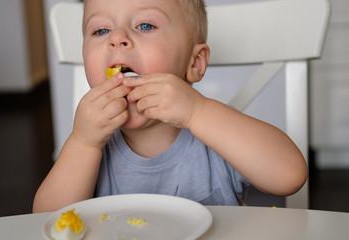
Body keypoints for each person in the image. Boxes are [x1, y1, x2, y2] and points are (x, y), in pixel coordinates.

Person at [33, 0, 307, 213]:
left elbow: (290, 176)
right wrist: (83, 143)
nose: (116, 38)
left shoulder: (217, 134)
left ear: (195, 62)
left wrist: (197, 111)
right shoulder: (90, 148)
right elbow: (46, 220)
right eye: (101, 30)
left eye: (145, 25)